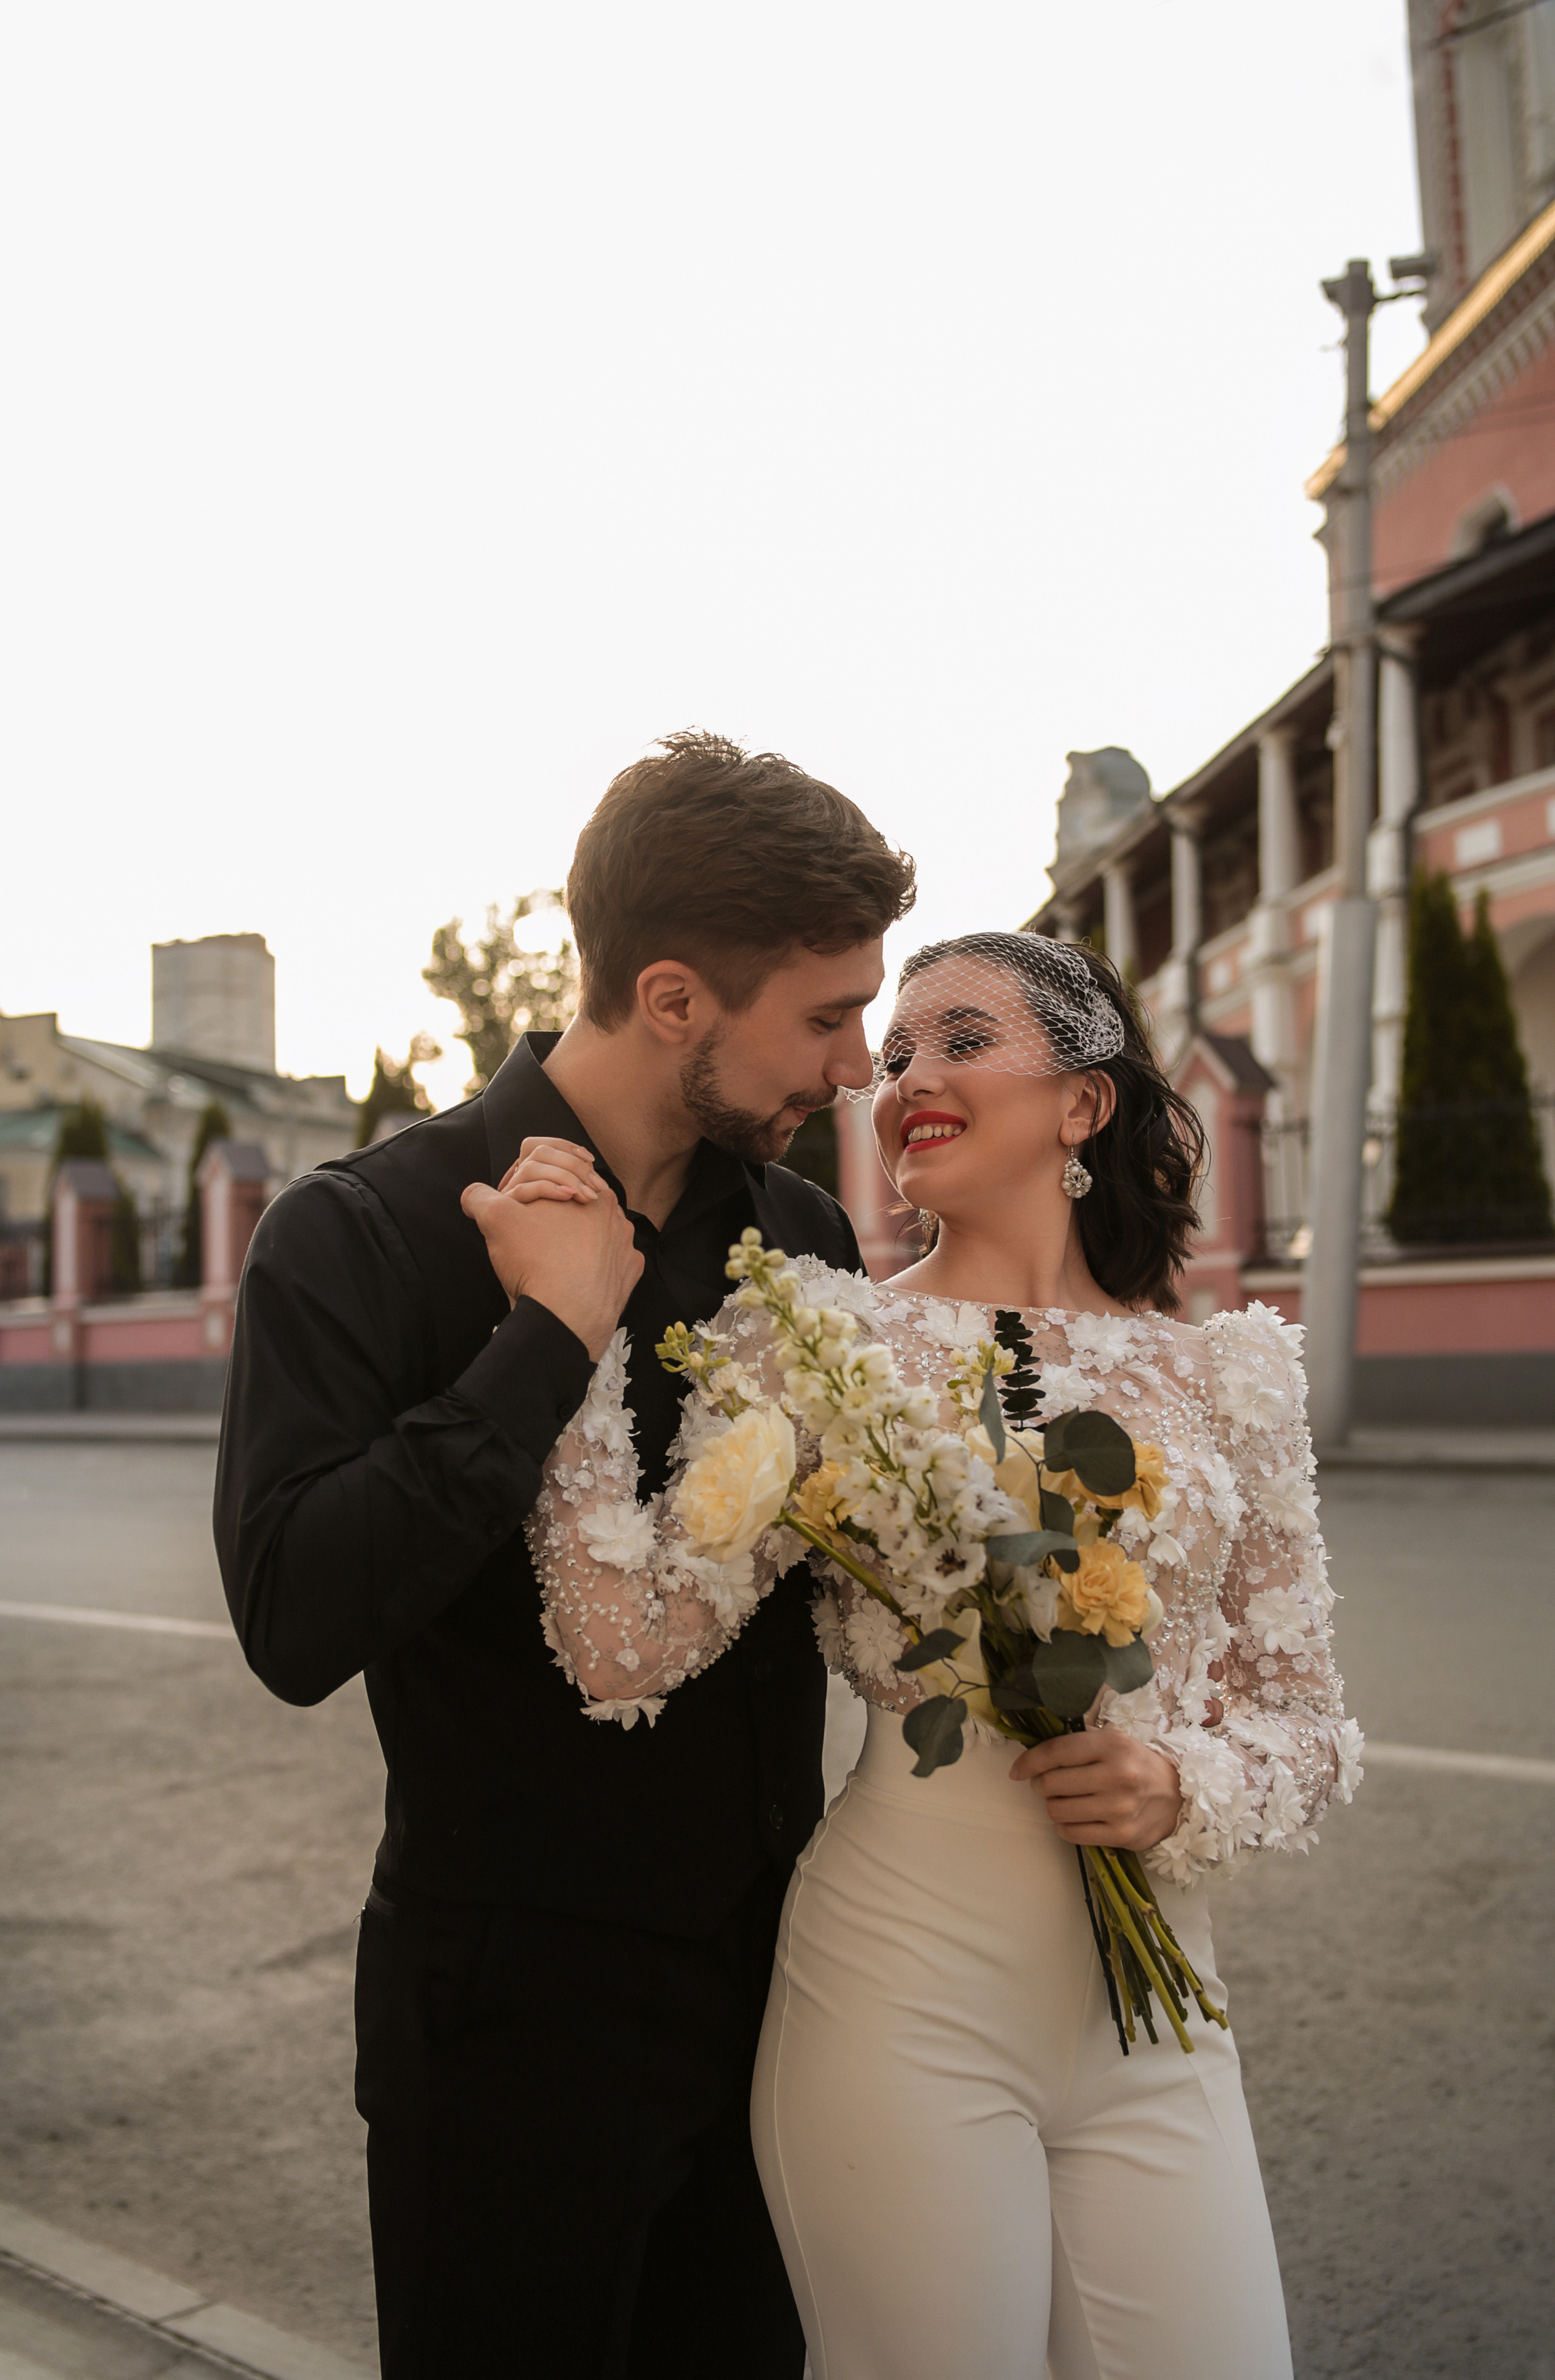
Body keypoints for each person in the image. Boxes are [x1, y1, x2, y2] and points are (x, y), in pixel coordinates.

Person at [517, 930, 1363, 2380]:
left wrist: (1174, 1780)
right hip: (897, 1999)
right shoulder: (818, 1341)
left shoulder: (1229, 1376)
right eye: (895, 1052)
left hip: (1156, 2025)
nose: (908, 1075)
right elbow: (623, 1646)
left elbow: (1308, 1728)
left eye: (961, 1039)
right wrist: (568, 1340)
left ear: (1083, 1102)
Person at [213, 729, 916, 2378]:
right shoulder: (362, 1231)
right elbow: (292, 1611)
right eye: (826, 1014)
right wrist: (547, 1331)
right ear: (673, 998)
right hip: (511, 2026)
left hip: (777, 1998)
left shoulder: (798, 1236)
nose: (861, 1062)